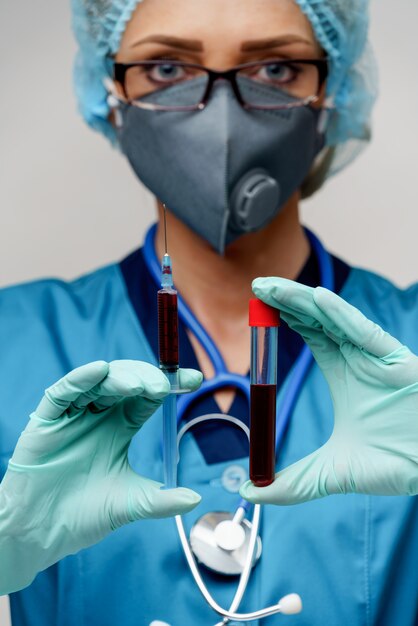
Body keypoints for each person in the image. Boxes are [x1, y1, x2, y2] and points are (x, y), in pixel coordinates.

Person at [0, 0, 417, 624]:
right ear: (111, 94)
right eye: (167, 69)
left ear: (331, 93)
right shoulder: (14, 339)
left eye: (275, 69)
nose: (222, 118)